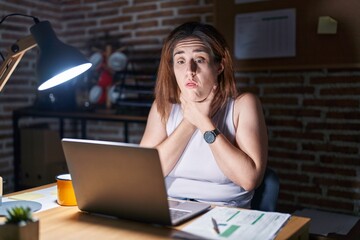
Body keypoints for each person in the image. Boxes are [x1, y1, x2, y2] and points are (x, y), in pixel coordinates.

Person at [140, 22, 268, 208]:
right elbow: (144, 172)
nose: (190, 71)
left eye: (199, 59)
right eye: (180, 61)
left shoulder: (243, 104)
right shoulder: (163, 106)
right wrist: (189, 122)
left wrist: (203, 121)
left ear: (219, 66)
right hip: (168, 208)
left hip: (224, 212)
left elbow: (249, 179)